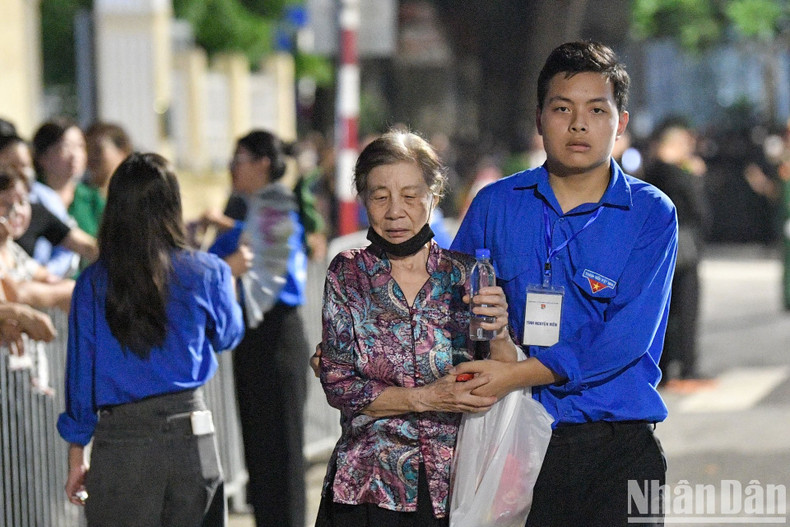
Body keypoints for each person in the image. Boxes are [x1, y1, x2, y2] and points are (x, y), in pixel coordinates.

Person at [451, 41, 674, 525]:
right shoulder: (495, 205)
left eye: (597, 109)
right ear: (539, 118)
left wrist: (518, 373)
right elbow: (445, 311)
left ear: (620, 122)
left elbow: (624, 339)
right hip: (514, 445)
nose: (578, 124)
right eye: (562, 108)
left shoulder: (652, 213)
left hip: (622, 447)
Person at [316, 129, 514, 526]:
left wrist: (501, 334)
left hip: (455, 485)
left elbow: (503, 373)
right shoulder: (347, 273)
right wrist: (427, 397)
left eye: (410, 196)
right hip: (368, 485)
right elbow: (339, 384)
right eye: (380, 196)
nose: (395, 212)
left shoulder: (467, 274)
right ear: (363, 199)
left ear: (434, 196)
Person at [56, 153, 245, 526]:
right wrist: (230, 283)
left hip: (120, 446)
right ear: (173, 204)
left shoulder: (92, 283)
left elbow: (80, 378)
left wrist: (77, 455)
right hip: (191, 436)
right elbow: (228, 335)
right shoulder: (208, 272)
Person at [198, 130, 311, 527]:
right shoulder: (253, 212)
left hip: (277, 337)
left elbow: (275, 268)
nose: (232, 167)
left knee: (282, 456)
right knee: (260, 454)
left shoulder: (275, 205)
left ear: (263, 163)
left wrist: (226, 250)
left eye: (240, 158)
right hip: (255, 339)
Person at [643, 117, 713, 392]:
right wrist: (695, 176)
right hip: (683, 250)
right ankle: (686, 368)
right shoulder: (676, 174)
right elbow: (699, 210)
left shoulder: (649, 170)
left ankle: (665, 368)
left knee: (664, 311)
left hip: (660, 250)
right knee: (686, 309)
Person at [0, 134, 98, 264]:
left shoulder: (36, 212)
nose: (15, 210)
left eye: (24, 166)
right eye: (10, 167)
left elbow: (86, 246)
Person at [32, 118, 88, 276]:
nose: (75, 155)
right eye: (65, 147)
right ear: (42, 156)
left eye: (80, 146)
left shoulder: (94, 199)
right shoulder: (28, 197)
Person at [72, 121, 133, 237]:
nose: (91, 156)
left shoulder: (135, 196)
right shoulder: (77, 196)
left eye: (98, 150)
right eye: (87, 150)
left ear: (122, 152)